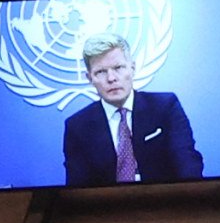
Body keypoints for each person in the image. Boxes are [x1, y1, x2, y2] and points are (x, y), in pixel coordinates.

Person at [54, 32, 200, 184]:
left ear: (132, 68)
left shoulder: (165, 107)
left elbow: (188, 164)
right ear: (90, 78)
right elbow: (78, 188)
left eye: (118, 68)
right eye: (101, 72)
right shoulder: (77, 126)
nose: (111, 78)